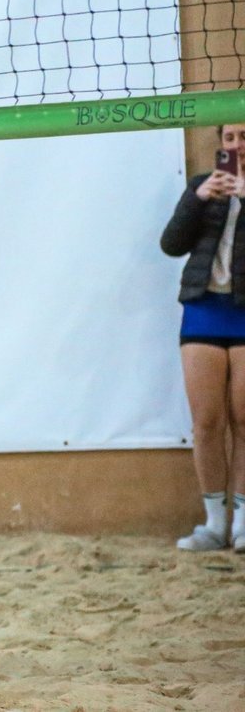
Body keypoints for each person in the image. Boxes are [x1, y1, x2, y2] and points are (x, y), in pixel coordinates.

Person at [160, 122, 245, 552]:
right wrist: (199, 200)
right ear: (220, 143)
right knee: (207, 422)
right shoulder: (201, 186)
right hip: (203, 310)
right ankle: (214, 524)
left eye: (244, 137)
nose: (237, 145)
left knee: (244, 419)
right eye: (230, 138)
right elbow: (171, 244)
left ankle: (243, 523)